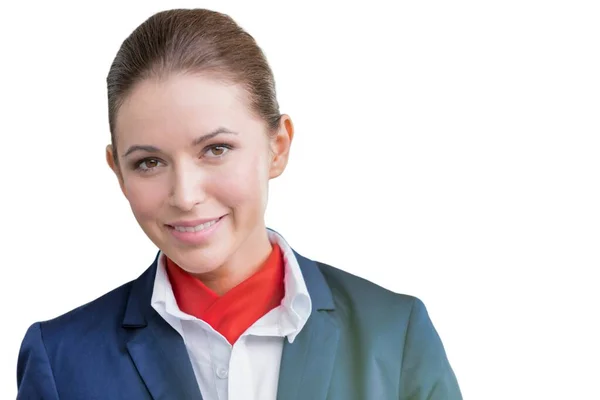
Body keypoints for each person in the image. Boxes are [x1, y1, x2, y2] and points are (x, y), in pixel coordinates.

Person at [16, 8, 462, 400]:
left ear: (278, 146)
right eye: (149, 162)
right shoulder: (61, 360)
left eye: (216, 149)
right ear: (117, 171)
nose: (186, 195)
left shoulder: (394, 335)